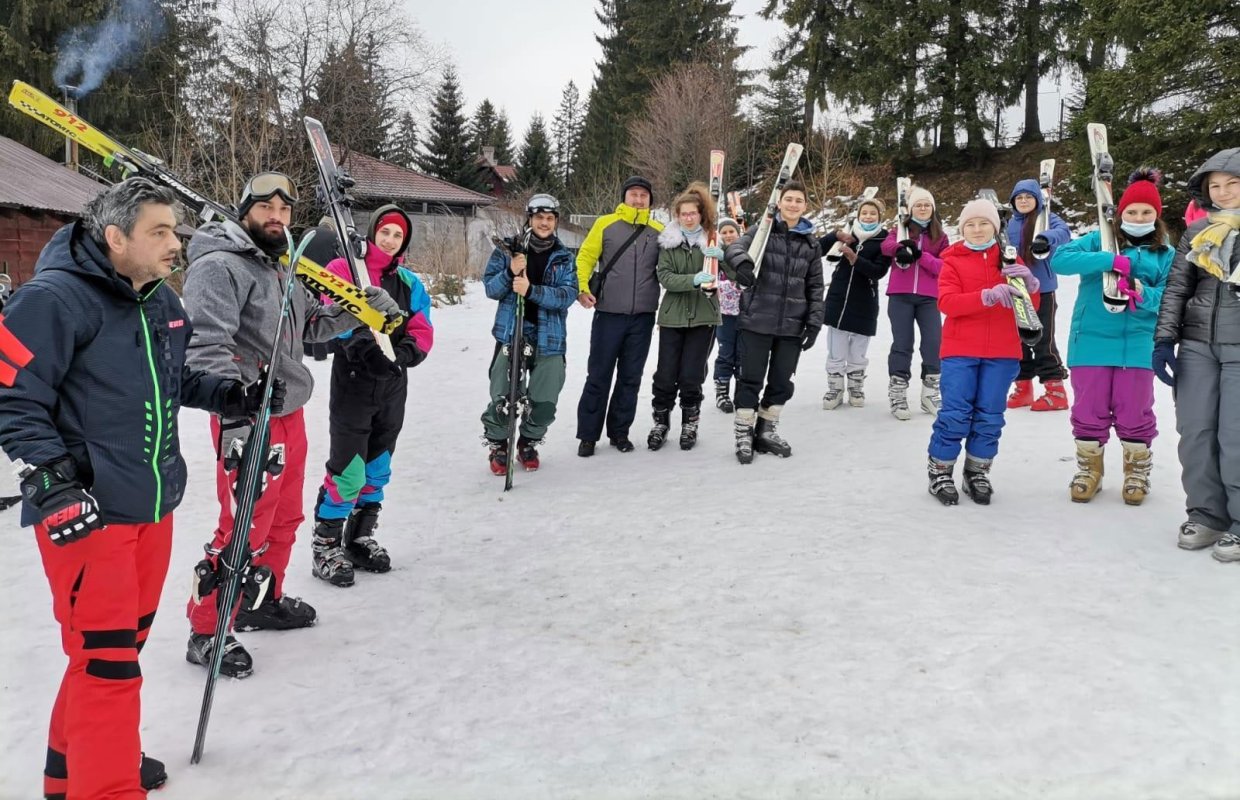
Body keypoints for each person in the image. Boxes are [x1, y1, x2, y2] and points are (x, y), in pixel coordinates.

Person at [0, 178, 280, 799]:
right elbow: (12, 399)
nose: (175, 243)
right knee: (106, 662)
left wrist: (235, 397)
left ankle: (73, 772)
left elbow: (173, 381)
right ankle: (108, 785)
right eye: (160, 232)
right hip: (88, 513)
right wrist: (52, 480)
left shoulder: (159, 300)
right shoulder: (52, 300)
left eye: (176, 231)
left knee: (118, 650)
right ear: (115, 237)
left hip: (152, 508)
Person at [180, 172, 400, 676]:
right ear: (244, 211)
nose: (276, 216)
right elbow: (205, 347)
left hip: (289, 412)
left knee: (284, 520)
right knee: (242, 527)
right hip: (248, 417)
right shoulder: (219, 267)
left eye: (284, 209)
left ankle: (261, 599)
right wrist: (237, 403)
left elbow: (310, 328)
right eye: (265, 207)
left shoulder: (280, 267)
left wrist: (362, 313)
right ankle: (206, 628)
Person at [310, 204, 433, 587]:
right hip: (354, 379)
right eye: (385, 232)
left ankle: (359, 536)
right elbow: (331, 312)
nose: (390, 239)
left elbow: (422, 325)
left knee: (378, 467)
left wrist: (408, 352)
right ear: (373, 232)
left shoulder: (410, 282)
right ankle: (325, 546)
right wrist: (363, 346)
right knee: (349, 469)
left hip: (393, 384)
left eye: (398, 235)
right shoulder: (345, 269)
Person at [1052, 169, 1172, 505]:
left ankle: (1136, 471)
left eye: (1146, 212)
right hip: (1090, 340)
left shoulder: (1166, 254)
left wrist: (1142, 293)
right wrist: (1110, 259)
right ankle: (1090, 469)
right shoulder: (1098, 240)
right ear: (1120, 214)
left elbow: (1172, 295)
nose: (1138, 217)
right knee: (1089, 408)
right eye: (1131, 212)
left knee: (1135, 409)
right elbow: (1060, 260)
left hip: (1138, 343)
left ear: (1156, 216)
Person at [1153, 147, 1240, 562]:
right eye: (1215, 186)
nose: (1223, 193)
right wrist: (1164, 340)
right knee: (1196, 432)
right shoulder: (1198, 230)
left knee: (1235, 437)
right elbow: (1176, 288)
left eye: (1232, 183)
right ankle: (1207, 515)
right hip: (1196, 345)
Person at [927, 199, 1039, 505]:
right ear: (962, 229)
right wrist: (986, 296)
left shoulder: (1009, 260)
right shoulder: (953, 260)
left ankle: (977, 471)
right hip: (960, 349)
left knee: (990, 415)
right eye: (970, 225)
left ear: (995, 226)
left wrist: (1030, 283)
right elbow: (946, 303)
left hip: (1002, 351)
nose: (977, 230)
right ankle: (940, 470)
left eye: (984, 223)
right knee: (956, 413)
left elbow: (1031, 309)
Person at [723, 179, 825, 464]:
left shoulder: (810, 243)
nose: (793, 204)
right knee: (750, 378)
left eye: (799, 200)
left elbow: (816, 286)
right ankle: (744, 431)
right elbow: (734, 248)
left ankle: (766, 430)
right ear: (779, 202)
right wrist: (743, 264)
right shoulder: (762, 230)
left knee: (781, 382)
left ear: (806, 206)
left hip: (792, 326)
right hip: (757, 320)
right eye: (788, 199)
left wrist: (814, 322)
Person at [481, 193, 578, 472]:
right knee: (503, 396)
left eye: (550, 218)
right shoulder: (508, 251)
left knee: (545, 401)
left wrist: (532, 291)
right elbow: (491, 289)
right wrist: (510, 273)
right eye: (539, 218)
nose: (544, 223)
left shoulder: (564, 257)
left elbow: (567, 295)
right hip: (513, 332)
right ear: (530, 219)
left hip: (550, 338)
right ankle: (499, 445)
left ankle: (528, 441)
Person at [574, 176, 664, 456]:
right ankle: (588, 435)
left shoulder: (658, 230)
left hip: (643, 316)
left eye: (643, 195)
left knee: (630, 377)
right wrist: (582, 287)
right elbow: (585, 257)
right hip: (609, 313)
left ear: (650, 200)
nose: (638, 199)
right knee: (598, 375)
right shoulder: (605, 224)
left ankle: (619, 433)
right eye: (633, 194)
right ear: (624, 197)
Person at [647, 182, 723, 450]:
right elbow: (664, 276)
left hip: (704, 316)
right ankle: (661, 420)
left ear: (701, 214)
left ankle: (690, 421)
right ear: (677, 216)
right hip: (672, 317)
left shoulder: (713, 241)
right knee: (666, 373)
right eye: (683, 214)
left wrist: (722, 259)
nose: (688, 218)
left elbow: (734, 274)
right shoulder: (668, 243)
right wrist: (694, 279)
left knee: (692, 374)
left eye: (693, 213)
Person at [881, 186, 949, 420]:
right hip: (900, 295)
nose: (922, 208)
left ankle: (930, 393)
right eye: (918, 205)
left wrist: (921, 256)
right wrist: (901, 248)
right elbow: (886, 246)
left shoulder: (940, 236)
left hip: (929, 297)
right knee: (903, 343)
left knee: (933, 342)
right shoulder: (900, 230)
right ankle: (898, 392)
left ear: (932, 208)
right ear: (911, 209)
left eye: (926, 204)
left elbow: (945, 266)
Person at [1005, 178, 1072, 411]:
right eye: (1019, 198)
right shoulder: (1009, 224)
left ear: (1037, 200)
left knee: (1043, 339)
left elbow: (1064, 232)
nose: (1024, 201)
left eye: (1028, 197)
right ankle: (1023, 387)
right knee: (1018, 339)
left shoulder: (1046, 219)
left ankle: (1056, 390)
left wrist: (1045, 238)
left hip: (1043, 290)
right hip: (1017, 289)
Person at [819, 196, 889, 409]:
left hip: (865, 301)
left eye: (873, 213)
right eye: (864, 213)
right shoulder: (848, 235)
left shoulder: (884, 241)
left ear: (879, 217)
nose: (868, 216)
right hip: (839, 299)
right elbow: (818, 250)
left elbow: (879, 271)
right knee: (836, 348)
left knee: (858, 350)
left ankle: (856, 387)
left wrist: (855, 258)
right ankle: (835, 388)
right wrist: (834, 237)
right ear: (858, 216)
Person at [712, 217, 743, 413]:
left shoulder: (744, 253)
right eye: (724, 232)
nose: (728, 235)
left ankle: (743, 391)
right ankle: (722, 392)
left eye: (732, 231)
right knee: (725, 353)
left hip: (747, 313)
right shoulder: (713, 256)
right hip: (723, 314)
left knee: (744, 354)